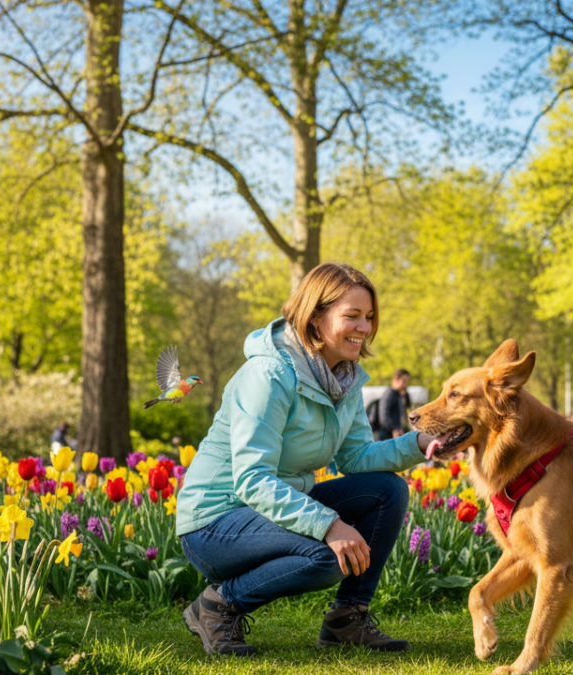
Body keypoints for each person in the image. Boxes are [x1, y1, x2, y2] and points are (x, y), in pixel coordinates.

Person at [176, 263, 445, 657]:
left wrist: (418, 444)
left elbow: (355, 458)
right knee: (328, 555)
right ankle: (218, 605)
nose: (364, 327)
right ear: (315, 319)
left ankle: (347, 619)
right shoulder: (267, 376)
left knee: (388, 490)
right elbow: (251, 480)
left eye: (368, 317)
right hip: (216, 522)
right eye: (351, 316)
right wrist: (329, 524)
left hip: (271, 511)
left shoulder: (346, 378)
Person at [377, 369, 411, 440]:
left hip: (397, 434)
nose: (406, 384)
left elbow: (407, 410)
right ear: (396, 379)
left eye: (407, 381)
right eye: (404, 381)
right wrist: (394, 428)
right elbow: (384, 416)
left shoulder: (401, 394)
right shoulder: (390, 393)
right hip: (388, 436)